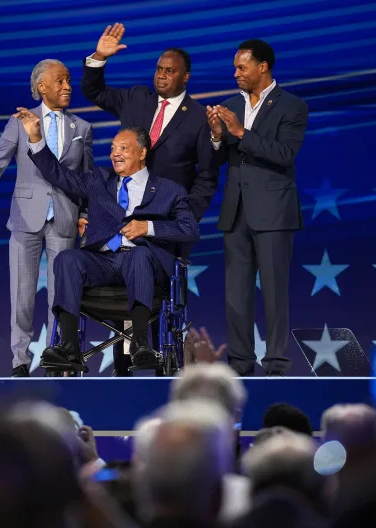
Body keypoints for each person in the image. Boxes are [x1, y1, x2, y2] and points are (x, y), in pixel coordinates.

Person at [13, 108, 199, 370]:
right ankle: (69, 347)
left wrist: (148, 227)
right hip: (102, 262)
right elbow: (59, 174)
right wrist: (35, 139)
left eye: (123, 148)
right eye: (113, 148)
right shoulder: (99, 180)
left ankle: (141, 343)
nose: (115, 153)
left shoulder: (170, 190)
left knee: (139, 254)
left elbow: (189, 228)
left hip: (143, 266)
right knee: (67, 258)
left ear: (142, 153)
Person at [82, 23, 219, 376]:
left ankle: (158, 368)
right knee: (123, 279)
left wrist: (185, 215)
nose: (162, 76)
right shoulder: (137, 98)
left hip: (166, 223)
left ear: (185, 77)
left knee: (158, 287)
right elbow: (93, 91)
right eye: (159, 69)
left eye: (170, 71)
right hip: (121, 217)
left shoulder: (199, 118)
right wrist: (99, 57)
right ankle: (126, 364)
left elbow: (206, 175)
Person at [0, 59, 93, 378]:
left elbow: (87, 180)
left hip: (65, 220)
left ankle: (55, 357)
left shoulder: (82, 129)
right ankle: (20, 361)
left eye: (69, 80)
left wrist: (83, 214)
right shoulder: (19, 122)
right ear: (42, 87)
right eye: (61, 81)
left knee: (62, 296)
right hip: (25, 219)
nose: (68, 86)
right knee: (22, 294)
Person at [207, 39, 309, 377]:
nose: (235, 73)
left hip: (274, 211)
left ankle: (276, 363)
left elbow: (284, 154)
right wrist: (218, 136)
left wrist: (239, 130)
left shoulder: (292, 106)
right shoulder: (229, 104)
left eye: (242, 67)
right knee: (236, 294)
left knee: (275, 292)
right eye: (235, 67)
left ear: (262, 66)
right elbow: (218, 158)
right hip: (236, 211)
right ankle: (240, 362)